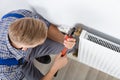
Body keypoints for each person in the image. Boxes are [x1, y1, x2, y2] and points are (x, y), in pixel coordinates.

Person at [0, 9, 76, 80]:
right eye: (40, 43)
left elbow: (47, 26)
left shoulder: (21, 15)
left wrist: (63, 40)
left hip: (24, 52)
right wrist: (54, 69)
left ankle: (38, 55)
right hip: (19, 66)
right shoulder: (5, 71)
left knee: (71, 48)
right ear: (25, 48)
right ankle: (35, 56)